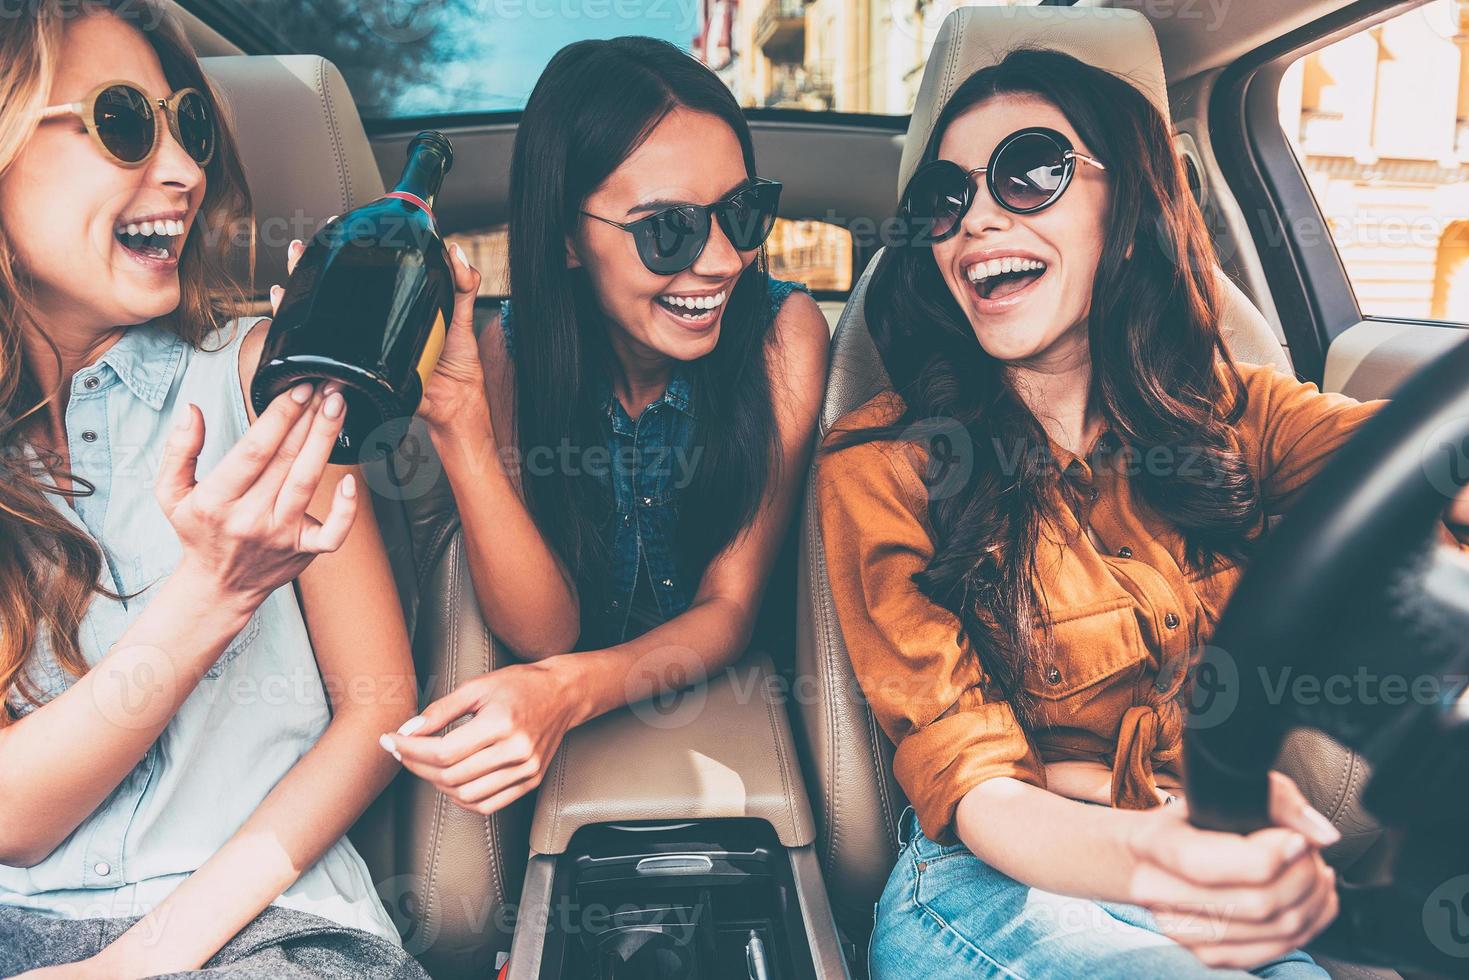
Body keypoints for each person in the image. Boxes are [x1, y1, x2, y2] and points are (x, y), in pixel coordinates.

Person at [818, 48, 1469, 978]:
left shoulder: (1233, 411)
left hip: (1206, 871)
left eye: (1030, 172)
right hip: (995, 885)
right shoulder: (884, 463)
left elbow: (1420, 464)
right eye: (943, 200)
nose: (978, 220)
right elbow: (976, 789)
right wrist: (1165, 857)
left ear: (1127, 206)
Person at [0, 3, 434, 975]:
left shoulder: (264, 377)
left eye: (188, 126)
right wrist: (212, 592)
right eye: (123, 122)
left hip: (269, 925)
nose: (187, 171)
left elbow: (378, 708)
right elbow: (11, 818)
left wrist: (136, 961)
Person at [372, 37, 829, 817]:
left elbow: (729, 606)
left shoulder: (784, 333)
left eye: (741, 214)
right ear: (565, 240)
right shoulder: (511, 353)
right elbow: (545, 632)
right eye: (669, 230)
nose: (721, 261)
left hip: (743, 712)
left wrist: (566, 692)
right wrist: (457, 424)